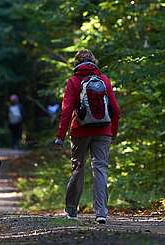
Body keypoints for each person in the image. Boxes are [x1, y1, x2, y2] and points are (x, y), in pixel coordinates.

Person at [54, 49, 120, 224]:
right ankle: (101, 213)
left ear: (76, 63)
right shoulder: (104, 80)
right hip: (104, 130)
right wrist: (113, 131)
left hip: (80, 131)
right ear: (94, 62)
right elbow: (116, 108)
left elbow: (66, 111)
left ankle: (71, 211)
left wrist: (60, 136)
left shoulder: (74, 81)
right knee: (100, 169)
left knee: (78, 168)